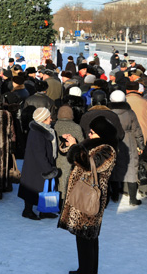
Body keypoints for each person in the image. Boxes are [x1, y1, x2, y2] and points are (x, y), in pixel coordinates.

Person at [58, 116, 118, 274]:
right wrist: (71, 143)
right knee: (83, 237)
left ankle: (87, 271)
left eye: (92, 132)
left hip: (91, 199)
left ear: (101, 133)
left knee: (87, 238)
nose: (89, 134)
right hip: (82, 196)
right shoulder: (92, 145)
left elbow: (88, 164)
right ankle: (85, 269)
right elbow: (74, 155)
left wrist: (75, 146)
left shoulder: (107, 149)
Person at [18, 107, 58, 220]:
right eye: (49, 117)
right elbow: (39, 153)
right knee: (33, 188)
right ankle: (27, 210)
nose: (51, 119)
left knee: (41, 188)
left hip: (37, 165)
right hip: (36, 166)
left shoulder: (43, 130)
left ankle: (44, 211)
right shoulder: (37, 133)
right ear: (43, 119)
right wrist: (48, 169)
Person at [107, 90, 144, 206]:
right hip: (129, 140)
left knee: (114, 166)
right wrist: (141, 144)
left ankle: (115, 195)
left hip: (113, 140)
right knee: (132, 168)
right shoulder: (130, 113)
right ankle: (133, 198)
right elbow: (137, 130)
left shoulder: (109, 113)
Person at [54, 105, 84, 202]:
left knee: (59, 180)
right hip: (71, 159)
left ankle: (58, 200)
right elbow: (81, 143)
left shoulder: (54, 126)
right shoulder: (76, 127)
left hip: (57, 158)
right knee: (69, 179)